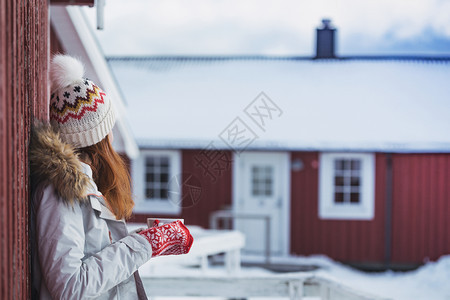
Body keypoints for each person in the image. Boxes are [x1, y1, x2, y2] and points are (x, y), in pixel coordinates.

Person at [29, 54, 193, 299]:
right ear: (96, 139)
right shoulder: (61, 193)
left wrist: (146, 240)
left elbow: (94, 257)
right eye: (109, 130)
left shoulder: (82, 188)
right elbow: (69, 286)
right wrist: (144, 245)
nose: (113, 138)